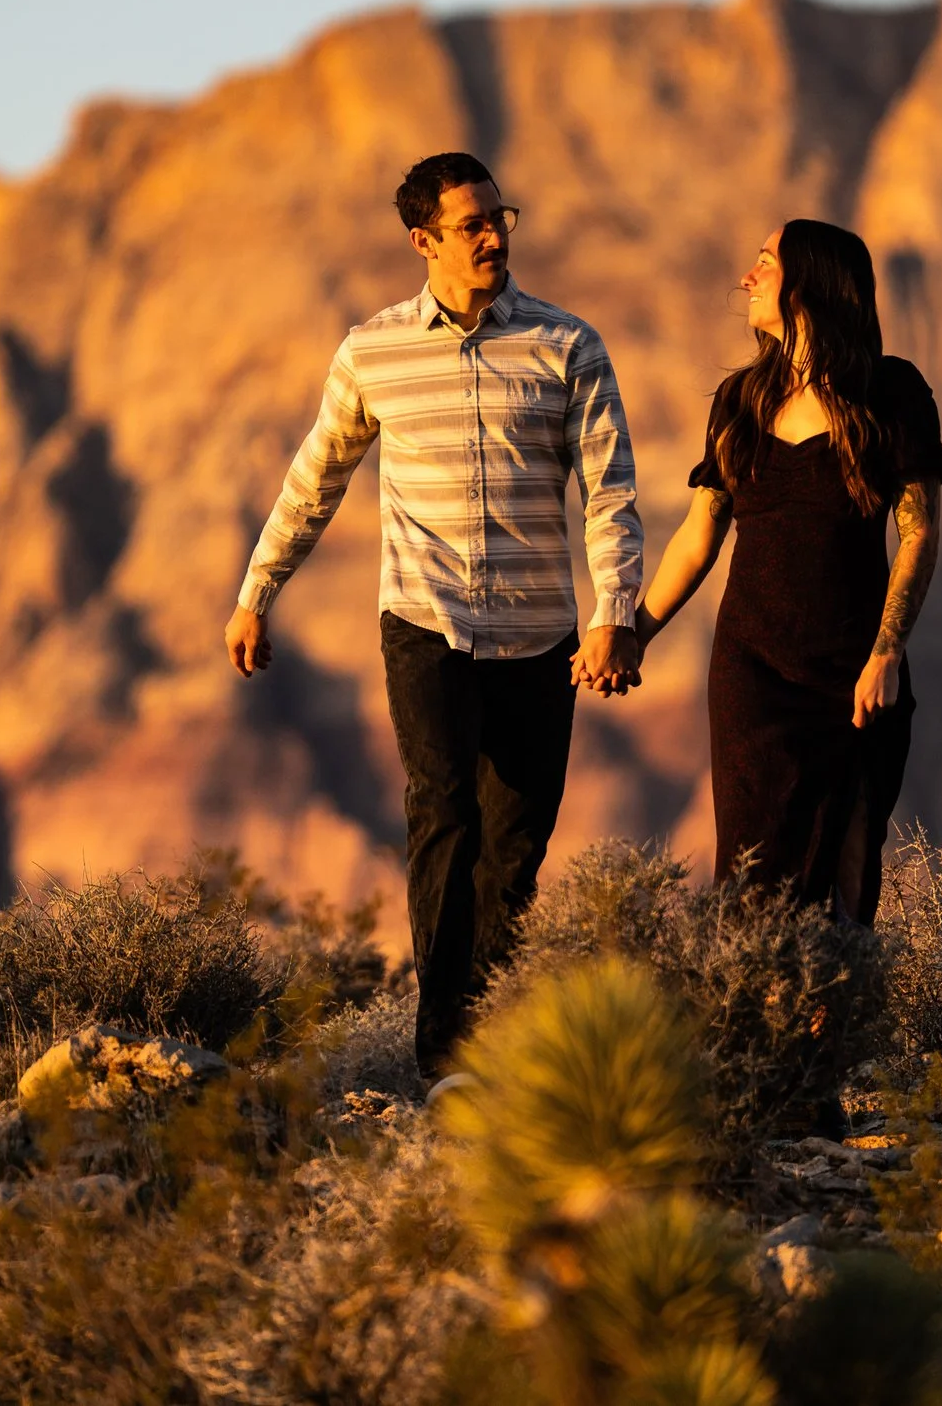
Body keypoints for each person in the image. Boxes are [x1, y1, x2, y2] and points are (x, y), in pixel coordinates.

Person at [225, 152, 645, 1078]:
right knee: (443, 814)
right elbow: (315, 479)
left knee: (516, 846)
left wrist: (616, 611)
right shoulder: (371, 351)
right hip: (426, 622)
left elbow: (609, 490)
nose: (494, 236)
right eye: (471, 225)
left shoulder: (568, 345)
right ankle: (444, 1054)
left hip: (541, 633)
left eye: (502, 217)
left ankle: (492, 1036)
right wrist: (258, 591)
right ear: (424, 243)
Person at [633, 218, 942, 923]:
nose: (747, 278)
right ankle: (758, 1024)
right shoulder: (741, 401)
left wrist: (886, 652)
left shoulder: (892, 394)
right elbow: (698, 535)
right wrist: (636, 633)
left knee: (848, 871)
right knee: (751, 884)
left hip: (855, 672)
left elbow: (919, 530)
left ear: (809, 284)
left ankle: (836, 1026)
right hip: (752, 672)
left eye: (764, 265)